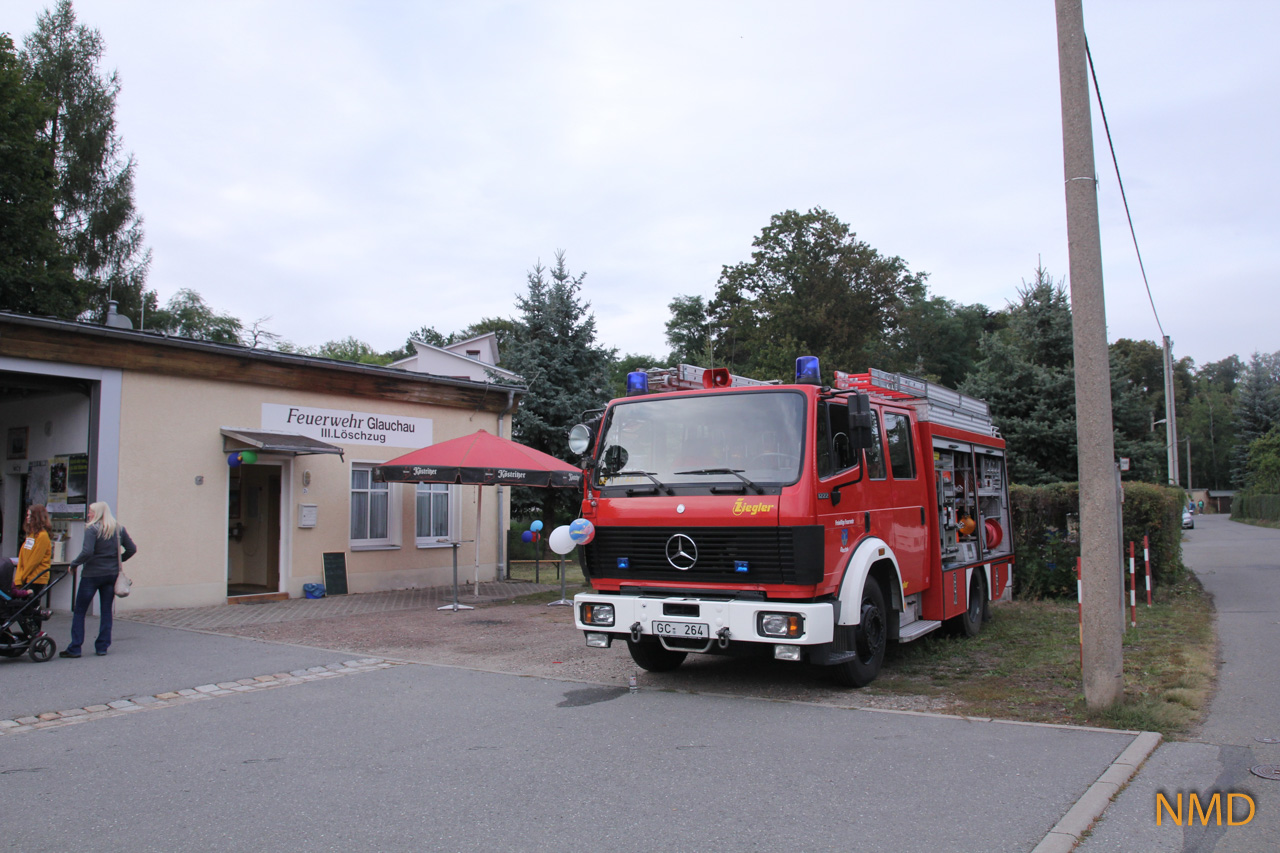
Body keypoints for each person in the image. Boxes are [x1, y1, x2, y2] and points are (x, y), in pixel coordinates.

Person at [61, 501, 136, 658]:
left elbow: (87, 552)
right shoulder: (118, 529)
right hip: (111, 575)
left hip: (92, 575)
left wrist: (74, 564)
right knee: (106, 610)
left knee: (80, 610)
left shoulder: (92, 529)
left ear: (99, 513)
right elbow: (132, 549)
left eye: (91, 512)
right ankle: (102, 646)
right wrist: (118, 560)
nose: (89, 514)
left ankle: (75, 647)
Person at [14, 505, 53, 589]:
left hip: (36, 577)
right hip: (27, 576)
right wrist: (19, 577)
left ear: (37, 518)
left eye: (30, 516)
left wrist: (22, 577)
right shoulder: (31, 535)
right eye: (27, 515)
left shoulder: (42, 536)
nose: (27, 518)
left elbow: (35, 560)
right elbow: (23, 556)